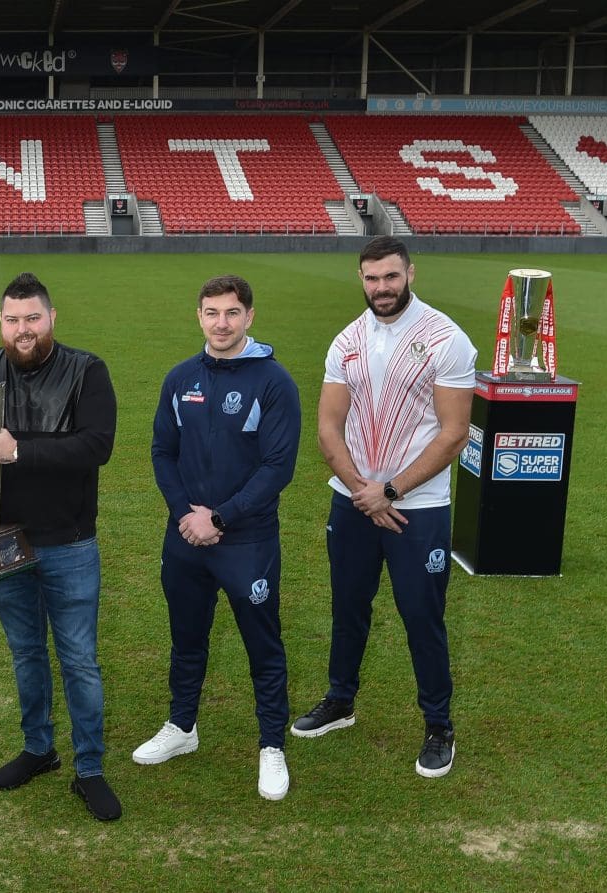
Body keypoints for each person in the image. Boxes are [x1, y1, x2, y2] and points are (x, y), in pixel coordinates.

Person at [290, 236, 476, 779]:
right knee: (348, 606)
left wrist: (388, 491)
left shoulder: (446, 338)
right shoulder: (346, 339)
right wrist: (360, 490)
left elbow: (454, 433)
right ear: (361, 280)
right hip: (352, 502)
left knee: (422, 616)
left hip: (418, 508)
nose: (381, 288)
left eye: (390, 277)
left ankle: (438, 725)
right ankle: (339, 701)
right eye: (371, 279)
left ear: (410, 274)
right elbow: (328, 424)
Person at [136, 274, 301, 800]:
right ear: (199, 317)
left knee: (263, 645)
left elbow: (277, 467)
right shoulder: (181, 377)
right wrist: (187, 514)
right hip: (185, 535)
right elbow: (163, 451)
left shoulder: (274, 382)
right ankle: (182, 727)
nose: (221, 323)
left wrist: (221, 519)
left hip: (245, 540)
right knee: (187, 639)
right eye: (211, 313)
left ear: (249, 316)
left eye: (231, 313)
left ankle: (271, 745)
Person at [0, 272, 121, 821]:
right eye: (12, 320)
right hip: (4, 542)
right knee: (26, 652)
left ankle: (90, 769)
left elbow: (97, 446)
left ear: (51, 318)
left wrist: (19, 451)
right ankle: (39, 749)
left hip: (69, 542)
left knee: (79, 660)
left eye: (32, 318)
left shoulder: (87, 370)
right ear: (2, 324)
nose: (22, 330)